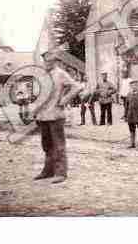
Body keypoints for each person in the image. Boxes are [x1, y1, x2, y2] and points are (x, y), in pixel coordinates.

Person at [34, 50, 83, 184]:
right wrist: (35, 111)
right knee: (46, 145)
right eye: (45, 61)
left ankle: (61, 172)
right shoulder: (43, 75)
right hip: (43, 115)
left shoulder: (60, 73)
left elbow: (77, 87)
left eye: (50, 61)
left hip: (56, 115)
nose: (47, 63)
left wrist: (64, 100)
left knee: (59, 145)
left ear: (55, 61)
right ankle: (48, 171)